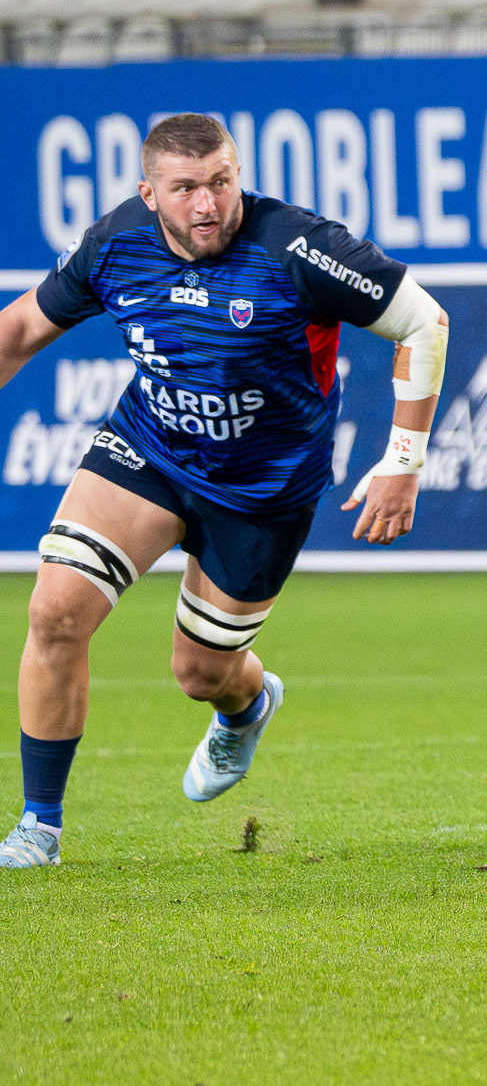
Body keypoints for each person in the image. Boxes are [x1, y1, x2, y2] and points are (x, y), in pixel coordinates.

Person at [0, 114, 449, 870]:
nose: (208, 204)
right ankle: (39, 826)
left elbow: (425, 324)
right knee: (54, 612)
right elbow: (17, 334)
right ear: (150, 193)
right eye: (185, 189)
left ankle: (246, 703)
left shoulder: (299, 247)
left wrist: (403, 461)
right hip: (149, 452)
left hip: (262, 490)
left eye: (221, 182)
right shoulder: (114, 244)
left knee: (199, 673)